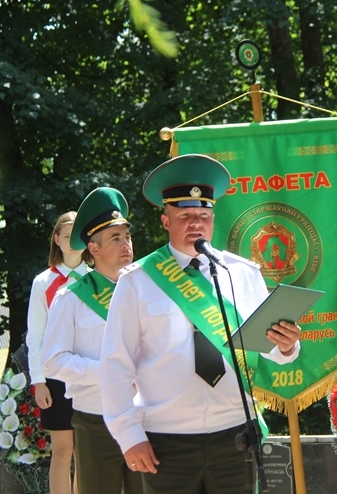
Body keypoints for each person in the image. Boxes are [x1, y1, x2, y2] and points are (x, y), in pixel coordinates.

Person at [100, 153, 302, 494]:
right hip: (167, 440)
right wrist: (128, 435)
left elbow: (269, 347)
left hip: (235, 434)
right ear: (165, 220)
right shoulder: (137, 281)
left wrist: (287, 346)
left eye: (203, 216)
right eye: (185, 216)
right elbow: (114, 365)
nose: (196, 223)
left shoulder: (240, 273)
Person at [41, 188, 143, 494]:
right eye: (115, 238)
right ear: (93, 248)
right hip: (97, 420)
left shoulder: (150, 289)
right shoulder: (71, 298)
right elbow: (52, 361)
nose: (125, 244)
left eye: (127, 236)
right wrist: (109, 372)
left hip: (146, 417)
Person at [25, 211, 89, 494]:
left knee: (85, 452)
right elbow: (36, 335)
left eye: (78, 236)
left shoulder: (97, 279)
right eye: (67, 236)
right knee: (62, 449)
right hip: (56, 375)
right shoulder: (43, 282)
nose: (73, 242)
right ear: (56, 239)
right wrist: (39, 381)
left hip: (88, 373)